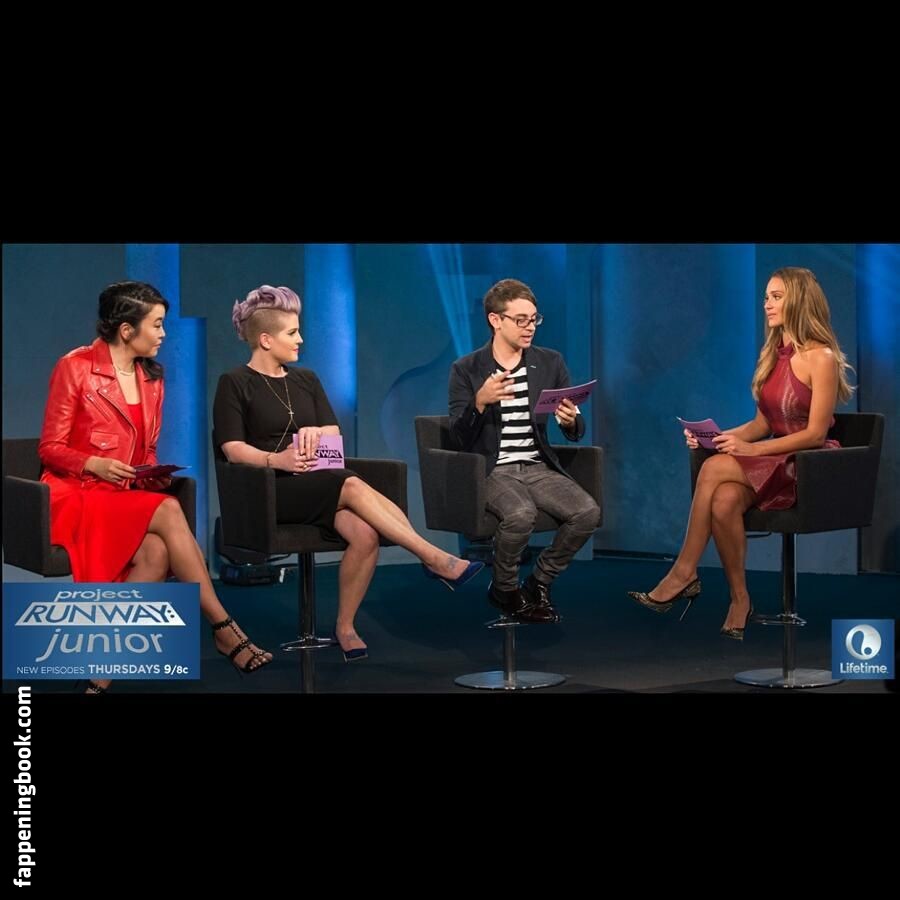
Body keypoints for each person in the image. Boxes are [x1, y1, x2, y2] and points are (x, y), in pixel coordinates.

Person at [213, 285, 483, 661]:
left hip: (318, 482)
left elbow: (332, 431)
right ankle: (433, 558)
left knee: (365, 534)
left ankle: (345, 626)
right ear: (266, 339)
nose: (300, 339)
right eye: (292, 332)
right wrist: (278, 461)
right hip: (270, 489)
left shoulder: (306, 379)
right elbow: (232, 448)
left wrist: (314, 431)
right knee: (351, 482)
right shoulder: (234, 382)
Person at [38, 281, 273, 693]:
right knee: (167, 508)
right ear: (127, 329)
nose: (164, 334)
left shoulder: (151, 378)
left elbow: (145, 451)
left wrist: (151, 473)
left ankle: (98, 675)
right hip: (74, 492)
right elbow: (50, 448)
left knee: (157, 552)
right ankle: (223, 627)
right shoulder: (74, 367)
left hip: (119, 496)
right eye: (157, 324)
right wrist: (93, 463)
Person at [628, 267, 853, 639]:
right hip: (772, 460)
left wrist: (751, 449)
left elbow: (815, 434)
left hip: (805, 465)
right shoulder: (774, 355)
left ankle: (684, 572)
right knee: (724, 500)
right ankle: (740, 599)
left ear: (799, 301)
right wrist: (717, 438)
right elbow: (762, 423)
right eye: (766, 297)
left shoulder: (821, 357)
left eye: (776, 297)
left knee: (714, 469)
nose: (767, 304)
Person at [448, 278, 602, 622]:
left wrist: (570, 421)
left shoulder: (549, 362)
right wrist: (479, 403)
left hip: (536, 465)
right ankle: (504, 589)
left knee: (587, 512)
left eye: (534, 319)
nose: (530, 327)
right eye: (521, 320)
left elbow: (575, 429)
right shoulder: (466, 369)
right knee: (520, 514)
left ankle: (538, 582)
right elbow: (458, 439)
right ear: (495, 320)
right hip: (493, 469)